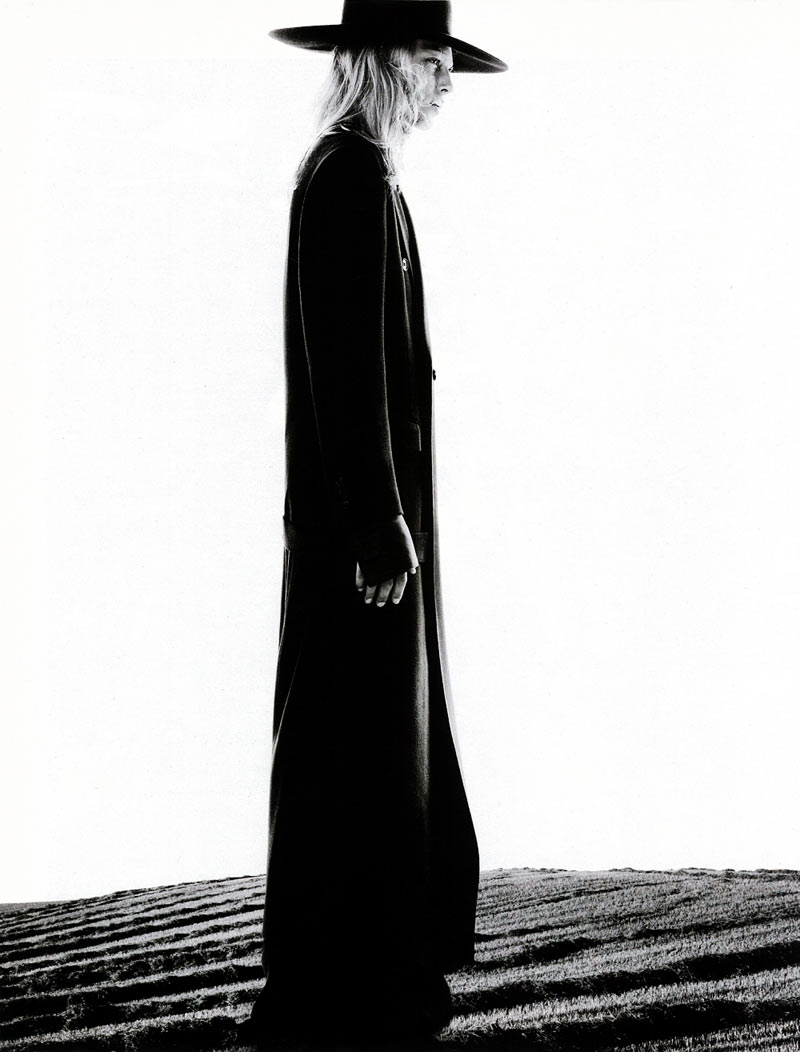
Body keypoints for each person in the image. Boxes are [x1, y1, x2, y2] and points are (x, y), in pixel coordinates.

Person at [240, 2, 506, 1047]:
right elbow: (344, 366)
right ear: (387, 61)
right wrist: (377, 521)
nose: (443, 87)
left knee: (376, 753)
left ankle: (370, 985)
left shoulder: (363, 175)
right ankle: (338, 993)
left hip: (377, 531)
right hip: (365, 539)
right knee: (351, 752)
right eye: (433, 64)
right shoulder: (345, 176)